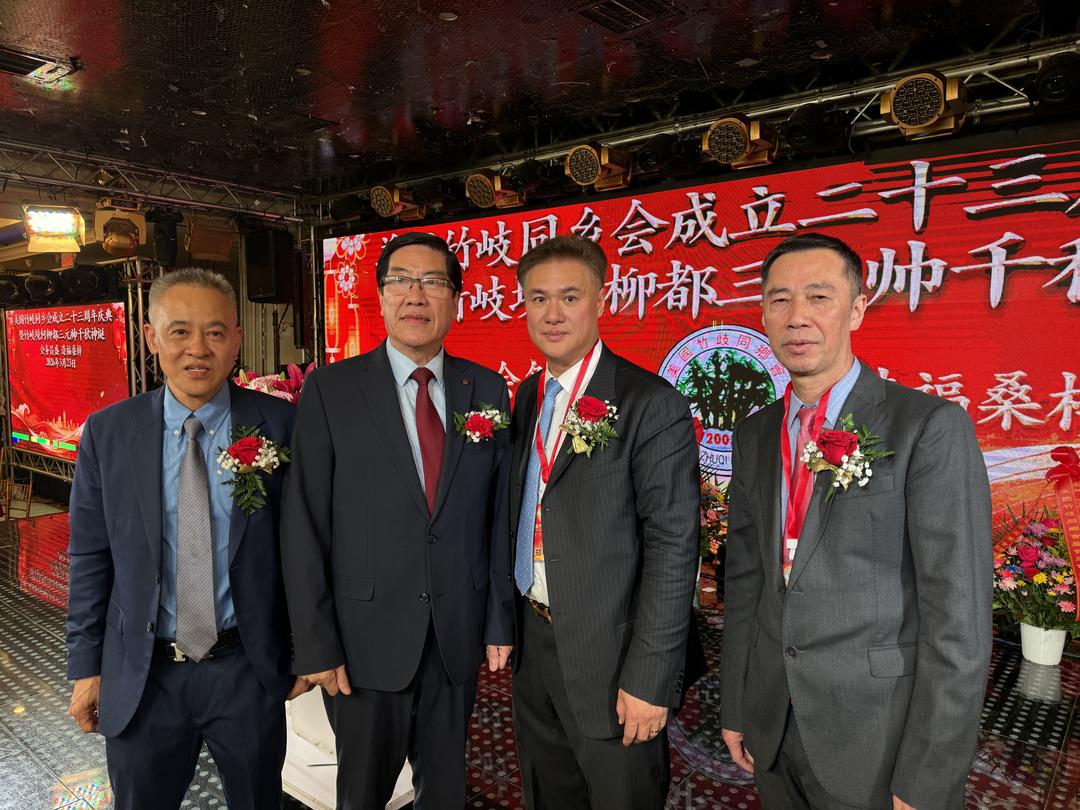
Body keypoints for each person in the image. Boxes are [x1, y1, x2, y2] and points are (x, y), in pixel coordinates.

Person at [721, 232, 992, 810]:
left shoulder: (926, 427)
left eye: (819, 297)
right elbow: (745, 583)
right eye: (779, 299)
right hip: (772, 722)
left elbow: (958, 618)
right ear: (763, 314)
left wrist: (928, 774)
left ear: (858, 309)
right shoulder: (755, 433)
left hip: (877, 739)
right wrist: (737, 704)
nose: (797, 316)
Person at [281, 232, 514, 809]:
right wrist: (315, 644)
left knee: (446, 791)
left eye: (433, 282)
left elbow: (498, 518)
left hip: (455, 635)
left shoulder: (485, 388)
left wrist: (497, 621)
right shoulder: (332, 389)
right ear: (381, 297)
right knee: (362, 793)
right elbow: (304, 523)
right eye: (401, 281)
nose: (416, 295)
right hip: (362, 640)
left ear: (455, 299)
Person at [66, 268, 306, 810]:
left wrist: (304, 651)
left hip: (246, 669)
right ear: (152, 338)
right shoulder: (109, 432)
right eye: (179, 332)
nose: (198, 349)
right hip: (142, 673)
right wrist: (85, 667)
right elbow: (90, 557)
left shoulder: (281, 425)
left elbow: (306, 549)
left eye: (215, 332)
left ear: (236, 340)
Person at [509, 236, 700, 810]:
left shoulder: (648, 402)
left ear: (601, 300)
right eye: (538, 298)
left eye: (569, 297)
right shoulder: (528, 396)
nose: (553, 313)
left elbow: (673, 547)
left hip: (614, 657)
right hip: (534, 640)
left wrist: (650, 677)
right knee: (548, 793)